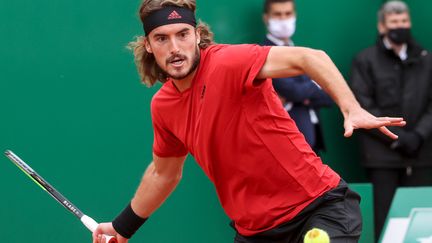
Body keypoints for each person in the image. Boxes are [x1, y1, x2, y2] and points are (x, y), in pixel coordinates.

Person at [92, 0, 405, 242]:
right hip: (256, 232)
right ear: (148, 45)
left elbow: (310, 57)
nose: (174, 48)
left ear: (197, 36)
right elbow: (164, 175)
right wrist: (123, 226)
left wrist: (350, 108)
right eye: (161, 38)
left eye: (182, 35)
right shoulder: (163, 106)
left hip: (319, 210)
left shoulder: (229, 62)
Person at [350, 0, 432, 240]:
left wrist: (418, 136)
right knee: (384, 222)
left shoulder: (427, 59)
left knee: (421, 225)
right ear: (382, 26)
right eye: (395, 22)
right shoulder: (365, 60)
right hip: (382, 157)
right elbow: (362, 104)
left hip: (420, 155)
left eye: (404, 21)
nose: (401, 26)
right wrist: (397, 138)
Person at [261, 0, 333, 153]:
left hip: (311, 140)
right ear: (266, 18)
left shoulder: (297, 50)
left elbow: (328, 95)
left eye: (288, 14)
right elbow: (293, 91)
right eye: (277, 14)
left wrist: (305, 94)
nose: (283, 20)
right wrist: (316, 82)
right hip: (288, 143)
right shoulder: (265, 53)